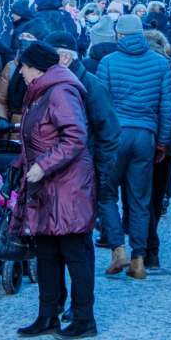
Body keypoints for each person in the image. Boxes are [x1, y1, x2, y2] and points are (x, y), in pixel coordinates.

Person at [13, 42, 98, 340]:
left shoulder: (61, 91)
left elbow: (75, 136)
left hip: (68, 186)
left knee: (74, 252)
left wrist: (43, 165)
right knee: (47, 253)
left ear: (35, 66)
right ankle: (47, 315)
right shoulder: (40, 92)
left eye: (23, 65)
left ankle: (84, 319)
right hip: (47, 186)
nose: (20, 71)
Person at [46, 30, 121, 322]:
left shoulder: (90, 86)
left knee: (78, 246)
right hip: (57, 177)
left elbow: (108, 134)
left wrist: (100, 177)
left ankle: (81, 309)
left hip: (81, 176)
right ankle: (57, 304)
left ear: (65, 57)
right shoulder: (55, 84)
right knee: (56, 245)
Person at [97, 15, 171, 279]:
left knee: (107, 195)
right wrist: (163, 141)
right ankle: (139, 259)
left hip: (115, 136)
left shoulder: (107, 63)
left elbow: (100, 105)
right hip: (145, 136)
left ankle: (117, 249)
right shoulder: (160, 63)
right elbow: (167, 107)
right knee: (141, 200)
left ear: (119, 35)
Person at [143, 29, 171, 270]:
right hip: (165, 138)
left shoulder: (134, 63)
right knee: (157, 193)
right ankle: (151, 246)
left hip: (142, 135)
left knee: (140, 194)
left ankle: (145, 244)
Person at [0, 20, 50, 142]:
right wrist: (0, 118)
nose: (24, 41)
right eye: (22, 37)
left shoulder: (47, 70)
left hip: (36, 134)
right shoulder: (12, 67)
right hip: (10, 131)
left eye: (29, 37)